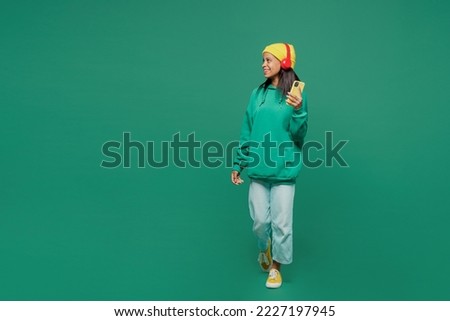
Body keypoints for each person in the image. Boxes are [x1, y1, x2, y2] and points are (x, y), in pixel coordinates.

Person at [231, 43, 308, 289]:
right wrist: (239, 163)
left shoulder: (295, 97)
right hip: (258, 169)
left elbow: (299, 134)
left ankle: (276, 267)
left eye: (268, 60)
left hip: (284, 171)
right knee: (260, 223)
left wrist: (298, 111)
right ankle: (263, 246)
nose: (263, 64)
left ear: (284, 63)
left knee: (282, 224)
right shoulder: (257, 94)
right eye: (262, 60)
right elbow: (247, 129)